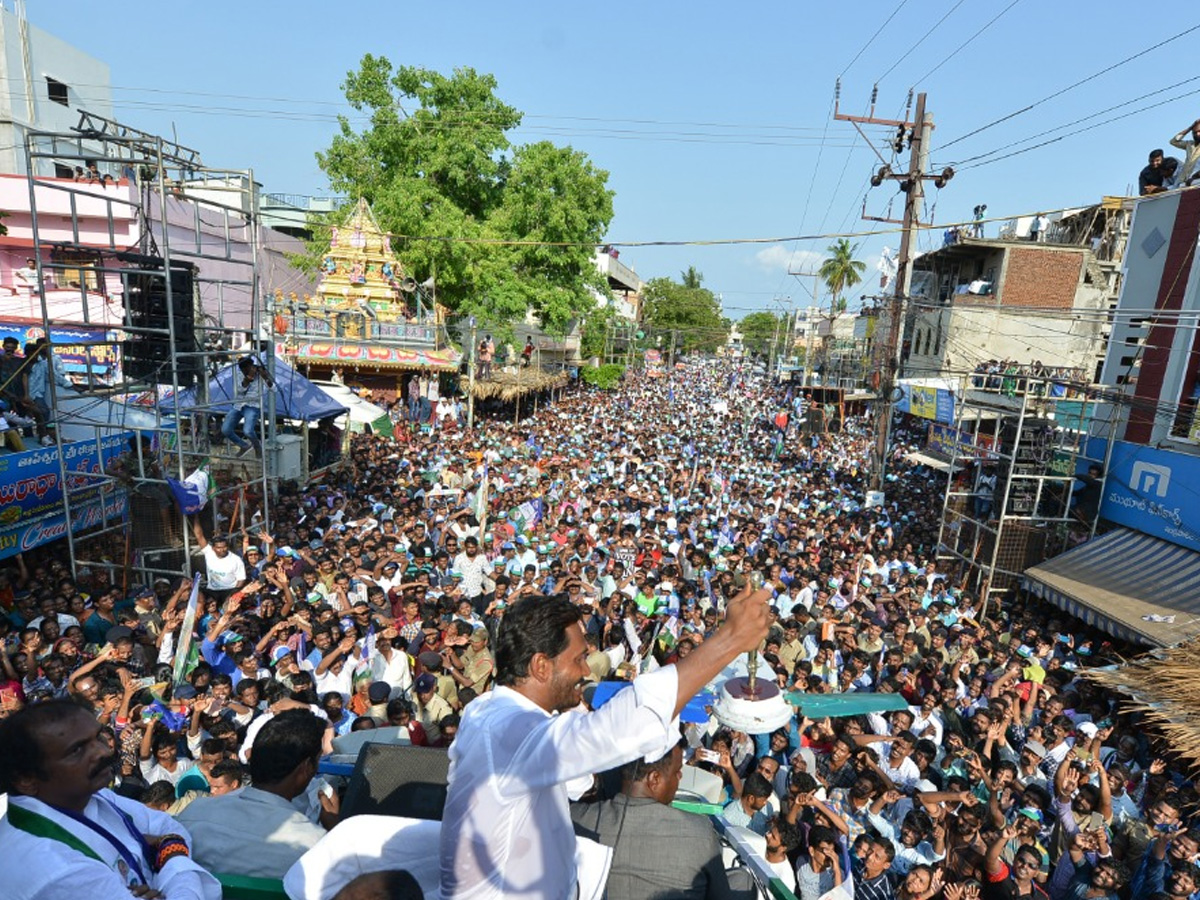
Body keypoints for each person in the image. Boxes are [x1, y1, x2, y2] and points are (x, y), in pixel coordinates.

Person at [438, 585, 770, 899]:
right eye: (578, 659)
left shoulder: (488, 710)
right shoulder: (507, 730)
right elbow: (613, 729)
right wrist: (729, 640)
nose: (586, 670)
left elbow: (578, 756)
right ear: (541, 665)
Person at [0, 699, 221, 899]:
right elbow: (172, 840)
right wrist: (174, 856)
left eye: (98, 737)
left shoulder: (95, 797)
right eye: (77, 750)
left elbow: (168, 826)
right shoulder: (56, 868)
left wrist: (168, 845)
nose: (103, 752)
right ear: (26, 779)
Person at [177, 708, 336, 879]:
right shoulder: (316, 845)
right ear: (306, 768)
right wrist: (336, 833)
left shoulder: (194, 812)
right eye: (317, 760)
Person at [570, 738, 735, 899]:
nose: (680, 778)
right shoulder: (700, 831)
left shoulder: (576, 818)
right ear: (654, 779)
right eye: (677, 772)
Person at [221, 355, 273, 457]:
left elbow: (273, 388)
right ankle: (243, 445)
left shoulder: (260, 374)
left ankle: (257, 446)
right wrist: (249, 377)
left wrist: (265, 377)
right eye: (244, 370)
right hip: (239, 405)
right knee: (225, 429)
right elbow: (240, 390)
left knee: (248, 431)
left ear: (251, 366)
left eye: (248, 369)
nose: (246, 371)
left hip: (253, 405)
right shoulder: (239, 374)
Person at [1170, 118, 1200, 186]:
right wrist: (1189, 128)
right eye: (1195, 132)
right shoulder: (1189, 144)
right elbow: (1173, 141)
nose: (1197, 134)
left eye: (1199, 131)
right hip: (1183, 179)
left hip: (1196, 180)